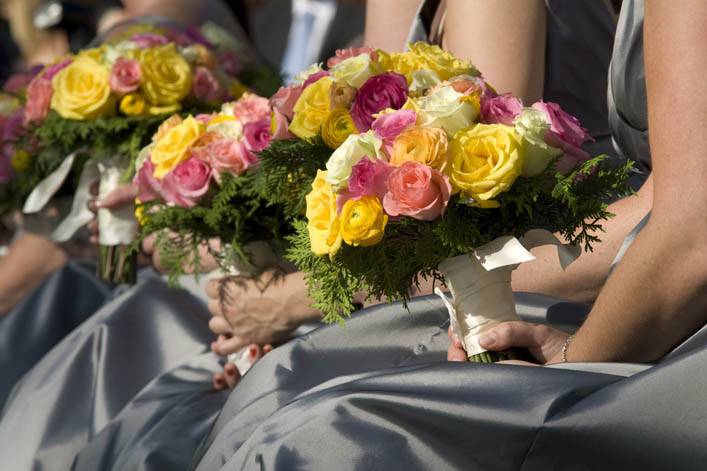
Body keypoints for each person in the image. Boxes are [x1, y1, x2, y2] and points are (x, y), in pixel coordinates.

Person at [190, 1, 707, 469]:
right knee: (266, 392)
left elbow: (681, 230)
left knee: (318, 425)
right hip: (594, 258)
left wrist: (303, 300)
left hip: (596, 268)